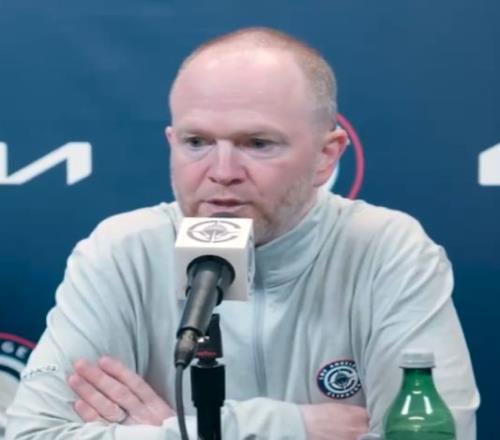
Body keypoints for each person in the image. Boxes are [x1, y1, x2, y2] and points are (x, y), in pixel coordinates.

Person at [6, 27, 479, 440]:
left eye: (257, 143)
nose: (222, 171)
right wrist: (284, 428)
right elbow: (34, 435)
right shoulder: (121, 251)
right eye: (197, 142)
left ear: (326, 156)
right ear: (172, 143)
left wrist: (167, 429)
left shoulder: (388, 249)